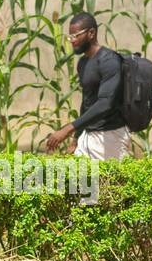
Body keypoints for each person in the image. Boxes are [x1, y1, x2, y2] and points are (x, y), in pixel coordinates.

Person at [43, 12, 130, 160]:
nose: (72, 41)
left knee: (111, 181)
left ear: (91, 33)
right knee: (78, 180)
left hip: (110, 135)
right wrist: (76, 138)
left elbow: (105, 102)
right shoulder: (83, 62)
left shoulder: (109, 61)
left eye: (76, 36)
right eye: (70, 37)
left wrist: (68, 129)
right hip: (88, 135)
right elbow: (87, 102)